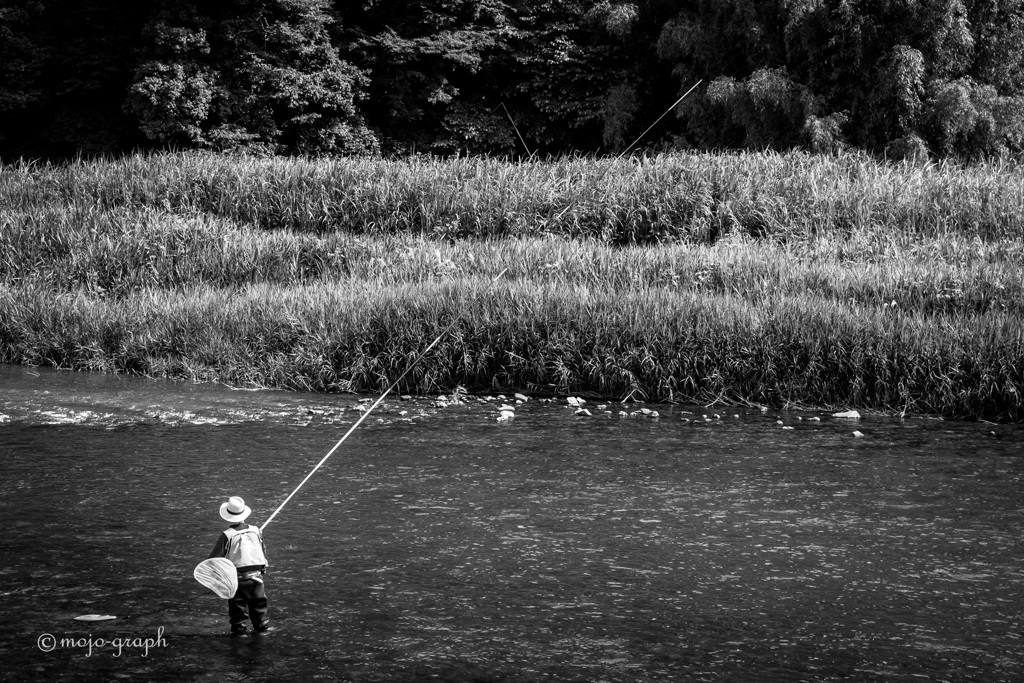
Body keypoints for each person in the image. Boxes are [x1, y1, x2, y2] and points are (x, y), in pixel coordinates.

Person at [209, 496, 270, 635]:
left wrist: (216, 581)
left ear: (228, 516)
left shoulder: (227, 536)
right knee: (261, 621)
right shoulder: (256, 530)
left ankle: (238, 646)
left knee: (238, 622)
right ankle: (261, 644)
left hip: (237, 583)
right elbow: (263, 551)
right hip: (257, 581)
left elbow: (212, 561)